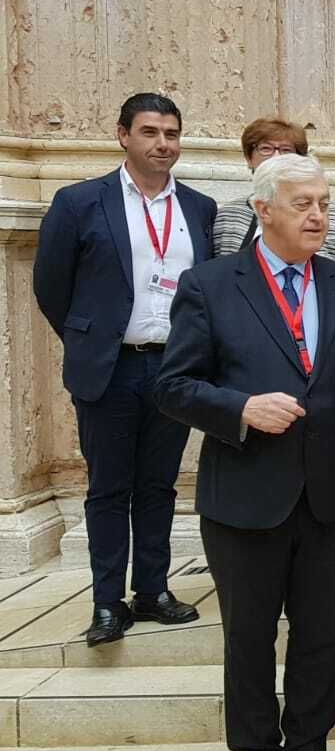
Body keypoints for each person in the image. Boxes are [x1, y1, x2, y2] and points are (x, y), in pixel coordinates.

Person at [155, 154, 335, 751]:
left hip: (331, 497)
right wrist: (241, 408)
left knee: (320, 634)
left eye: (324, 203)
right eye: (303, 203)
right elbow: (173, 386)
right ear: (263, 209)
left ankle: (309, 750)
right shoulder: (212, 285)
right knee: (249, 636)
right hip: (246, 497)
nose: (318, 215)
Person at [33, 93, 211, 647]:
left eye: (171, 134)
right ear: (123, 135)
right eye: (150, 132)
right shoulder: (79, 202)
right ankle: (107, 602)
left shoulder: (199, 208)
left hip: (174, 370)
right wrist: (92, 341)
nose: (163, 144)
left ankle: (153, 590)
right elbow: (51, 286)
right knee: (109, 489)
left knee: (159, 486)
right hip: (110, 370)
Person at [211, 118, 335, 269]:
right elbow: (218, 273)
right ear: (249, 158)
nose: (276, 157)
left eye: (286, 150)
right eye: (266, 149)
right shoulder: (229, 215)